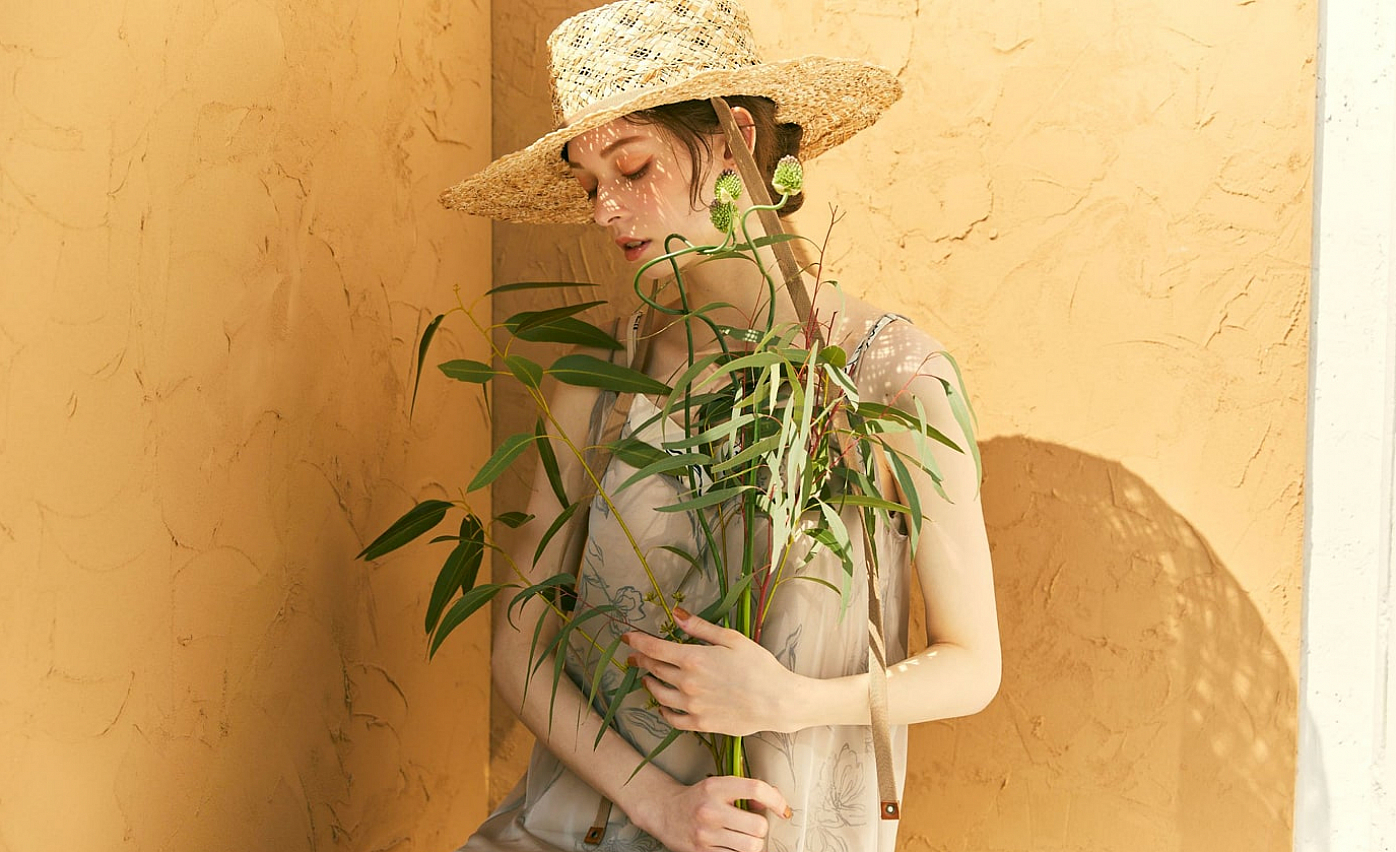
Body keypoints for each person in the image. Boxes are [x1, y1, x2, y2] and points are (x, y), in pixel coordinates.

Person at [441, 1, 1000, 849]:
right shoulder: (600, 383)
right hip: (576, 832)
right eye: (589, 185)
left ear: (736, 138)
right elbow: (519, 647)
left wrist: (793, 701)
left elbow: (972, 665)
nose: (602, 210)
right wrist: (658, 804)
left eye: (632, 167)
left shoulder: (891, 380)